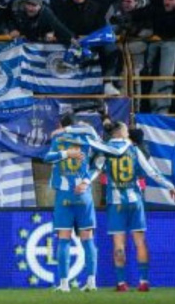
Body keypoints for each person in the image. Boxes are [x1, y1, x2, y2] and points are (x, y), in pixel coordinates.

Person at [93, 122, 175, 292]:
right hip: (134, 200)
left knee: (118, 244)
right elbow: (151, 171)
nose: (128, 132)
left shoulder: (105, 150)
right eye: (125, 130)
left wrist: (85, 182)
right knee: (140, 242)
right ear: (120, 132)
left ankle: (121, 283)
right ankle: (144, 282)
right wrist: (169, 185)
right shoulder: (133, 149)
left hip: (115, 201)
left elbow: (95, 170)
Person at [43, 116, 123, 292]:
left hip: (63, 196)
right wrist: (86, 181)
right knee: (88, 240)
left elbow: (47, 158)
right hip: (83, 195)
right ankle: (92, 281)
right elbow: (100, 162)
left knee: (64, 240)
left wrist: (65, 153)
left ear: (60, 125)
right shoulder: (88, 140)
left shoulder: (59, 140)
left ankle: (64, 284)